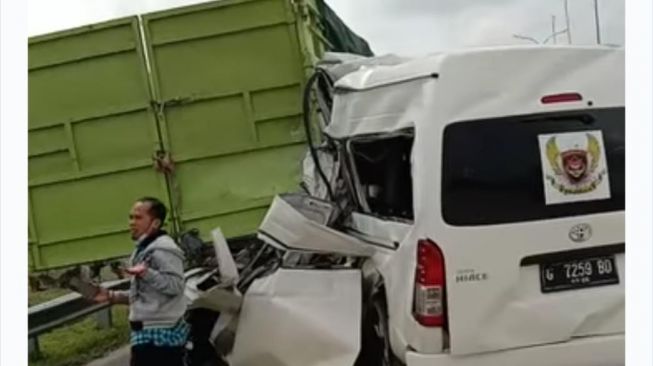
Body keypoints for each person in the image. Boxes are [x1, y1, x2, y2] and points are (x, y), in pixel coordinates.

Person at [94, 197, 188, 366]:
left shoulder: (163, 249)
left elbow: (176, 286)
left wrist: (146, 273)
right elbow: (147, 293)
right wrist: (113, 296)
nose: (131, 222)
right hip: (146, 336)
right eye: (131, 217)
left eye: (138, 218)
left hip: (159, 339)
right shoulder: (144, 248)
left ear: (155, 223)